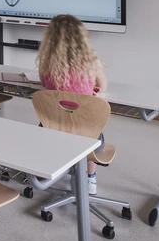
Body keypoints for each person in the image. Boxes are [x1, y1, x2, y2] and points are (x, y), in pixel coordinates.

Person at [37, 14, 108, 194]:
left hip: (52, 129)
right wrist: (93, 91)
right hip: (85, 132)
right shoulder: (93, 63)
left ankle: (52, 169)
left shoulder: (47, 64)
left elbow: (44, 83)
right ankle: (90, 178)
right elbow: (102, 86)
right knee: (93, 131)